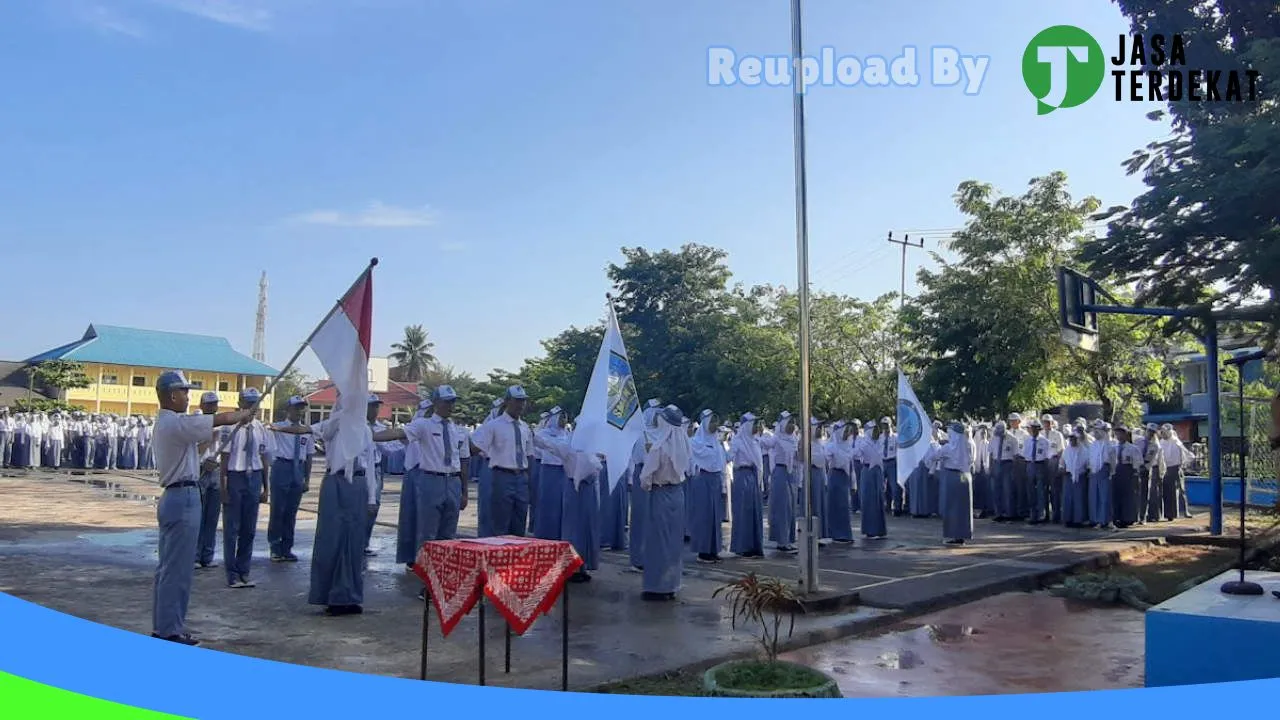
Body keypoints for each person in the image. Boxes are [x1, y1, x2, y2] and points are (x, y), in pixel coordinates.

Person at [151, 370, 252, 645]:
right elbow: (217, 419)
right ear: (172, 395)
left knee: (169, 568)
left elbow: (192, 448)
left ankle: (165, 626)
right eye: (184, 391)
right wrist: (240, 414)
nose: (188, 396)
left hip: (178, 493)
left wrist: (201, 462)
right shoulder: (175, 423)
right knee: (177, 570)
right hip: (182, 497)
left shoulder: (168, 424)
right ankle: (170, 630)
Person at [272, 393, 393, 616]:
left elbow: (369, 468)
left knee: (353, 542)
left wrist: (372, 498)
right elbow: (307, 430)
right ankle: (330, 596)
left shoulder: (365, 431)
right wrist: (278, 429)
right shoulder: (334, 426)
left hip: (357, 484)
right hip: (335, 483)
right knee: (332, 540)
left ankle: (350, 596)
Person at [533, 424, 601, 583]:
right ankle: (572, 568)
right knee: (574, 529)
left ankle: (582, 566)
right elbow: (548, 444)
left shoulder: (591, 449)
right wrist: (534, 436)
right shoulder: (569, 447)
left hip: (587, 490)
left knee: (585, 528)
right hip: (574, 488)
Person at [219, 387, 270, 589]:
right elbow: (224, 460)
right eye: (248, 403)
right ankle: (231, 574)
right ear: (240, 404)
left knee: (249, 529)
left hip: (254, 476)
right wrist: (223, 487)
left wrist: (266, 487)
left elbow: (264, 458)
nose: (252, 407)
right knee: (232, 528)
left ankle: (244, 571)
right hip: (235, 476)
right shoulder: (229, 428)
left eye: (255, 403)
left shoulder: (260, 428)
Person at [639, 405, 690, 601]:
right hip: (678, 494)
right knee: (673, 541)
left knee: (658, 540)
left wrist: (647, 456)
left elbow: (645, 480)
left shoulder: (658, 447)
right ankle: (671, 585)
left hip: (660, 495)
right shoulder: (684, 444)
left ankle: (656, 587)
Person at [468, 386, 534, 536]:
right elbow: (476, 448)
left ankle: (516, 557)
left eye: (523, 401)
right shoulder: (494, 425)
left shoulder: (525, 428)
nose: (521, 405)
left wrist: (529, 480)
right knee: (499, 522)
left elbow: (529, 455)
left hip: (521, 477)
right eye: (517, 401)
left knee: (519, 521)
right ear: (507, 401)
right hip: (502, 475)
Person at [268, 396, 312, 563]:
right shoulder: (278, 427)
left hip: (298, 468)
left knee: (291, 511)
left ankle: (287, 547)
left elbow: (308, 456)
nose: (299, 411)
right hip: (282, 466)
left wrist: (307, 479)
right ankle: (275, 546)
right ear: (288, 410)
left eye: (301, 408)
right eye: (296, 408)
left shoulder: (306, 431)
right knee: (278, 509)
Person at [396, 399, 432, 568]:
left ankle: (424, 558)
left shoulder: (439, 426)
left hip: (429, 472)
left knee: (427, 520)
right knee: (411, 516)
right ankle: (411, 556)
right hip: (414, 470)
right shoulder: (416, 425)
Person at [627, 399, 662, 572]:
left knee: (655, 520)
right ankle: (638, 557)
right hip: (643, 477)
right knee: (641, 519)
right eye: (656, 412)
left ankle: (653, 556)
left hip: (658, 480)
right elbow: (640, 458)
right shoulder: (641, 435)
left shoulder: (662, 434)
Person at [728, 413, 765, 557]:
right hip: (742, 475)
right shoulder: (738, 441)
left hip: (753, 475)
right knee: (743, 511)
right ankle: (743, 546)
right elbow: (729, 456)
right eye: (753, 424)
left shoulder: (755, 441)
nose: (756, 427)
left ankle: (755, 545)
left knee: (754, 511)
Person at [194, 392, 223, 570]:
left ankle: (208, 555)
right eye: (209, 404)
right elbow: (193, 450)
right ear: (202, 405)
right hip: (201, 470)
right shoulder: (195, 424)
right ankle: (195, 555)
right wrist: (208, 439)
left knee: (212, 517)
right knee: (199, 516)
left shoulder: (223, 425)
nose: (213, 407)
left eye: (215, 404)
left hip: (217, 471)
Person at [935, 421, 975, 545]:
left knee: (952, 507)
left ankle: (953, 534)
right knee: (963, 508)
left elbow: (935, 455)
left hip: (952, 477)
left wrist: (936, 443)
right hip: (965, 476)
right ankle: (962, 534)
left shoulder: (948, 448)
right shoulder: (968, 444)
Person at [532, 407, 570, 540]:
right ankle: (546, 533)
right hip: (549, 470)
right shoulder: (543, 433)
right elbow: (540, 447)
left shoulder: (567, 433)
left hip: (563, 470)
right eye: (561, 417)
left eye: (565, 417)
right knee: (548, 502)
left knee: (561, 503)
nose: (564, 420)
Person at [763, 412, 798, 553]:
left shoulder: (794, 439)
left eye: (794, 423)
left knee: (791, 508)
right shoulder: (777, 438)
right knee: (782, 507)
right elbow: (765, 443)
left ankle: (789, 539)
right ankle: (781, 540)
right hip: (780, 472)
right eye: (789, 422)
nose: (792, 426)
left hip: (792, 474)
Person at [854, 420, 888, 539]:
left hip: (877, 471)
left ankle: (879, 529)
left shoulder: (879, 442)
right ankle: (870, 530)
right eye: (873, 430)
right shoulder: (864, 443)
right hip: (868, 470)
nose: (875, 432)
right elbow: (856, 454)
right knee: (869, 500)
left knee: (878, 499)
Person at [825, 421, 856, 543]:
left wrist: (854, 483)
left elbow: (851, 466)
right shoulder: (832, 446)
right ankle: (834, 533)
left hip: (844, 476)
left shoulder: (848, 445)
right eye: (845, 431)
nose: (847, 433)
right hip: (835, 474)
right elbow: (826, 459)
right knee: (834, 505)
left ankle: (844, 534)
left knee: (844, 505)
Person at [1158, 424, 1193, 520]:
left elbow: (1187, 455)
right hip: (1165, 470)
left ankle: (1185, 511)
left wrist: (1183, 465)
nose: (1163, 434)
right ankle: (1170, 514)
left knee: (1181, 490)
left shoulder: (1176, 442)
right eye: (1162, 432)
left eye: (1165, 432)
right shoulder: (1161, 443)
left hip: (1176, 469)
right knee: (1167, 492)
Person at [1088, 421, 1118, 530]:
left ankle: (1108, 520)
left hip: (1105, 470)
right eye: (1095, 431)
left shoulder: (1110, 444)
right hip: (1094, 471)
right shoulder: (1093, 445)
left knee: (1105, 496)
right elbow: (1091, 458)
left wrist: (1112, 471)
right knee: (1095, 496)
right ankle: (1097, 520)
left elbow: (1113, 460)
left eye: (1098, 431)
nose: (1095, 433)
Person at [1114, 427, 1142, 528]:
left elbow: (1138, 462)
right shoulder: (1114, 447)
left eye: (1121, 434)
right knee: (1118, 495)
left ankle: (1129, 518)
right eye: (1117, 434)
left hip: (1129, 472)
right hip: (1117, 472)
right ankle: (1118, 517)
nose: (1119, 437)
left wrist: (1135, 472)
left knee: (1129, 496)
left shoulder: (1133, 448)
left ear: (1126, 435)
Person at [1023, 419, 1051, 524]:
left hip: (1041, 465)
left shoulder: (1045, 441)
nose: (1034, 430)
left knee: (1041, 491)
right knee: (1031, 491)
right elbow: (1025, 455)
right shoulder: (1027, 441)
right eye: (1032, 428)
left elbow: (1048, 456)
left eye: (1036, 428)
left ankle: (1041, 515)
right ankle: (1033, 514)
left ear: (1039, 429)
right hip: (1030, 465)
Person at [1061, 429, 1089, 527]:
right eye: (1071, 439)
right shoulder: (1067, 450)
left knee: (1079, 498)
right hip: (1068, 476)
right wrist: (1062, 469)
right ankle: (1068, 519)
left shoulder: (1084, 451)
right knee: (1068, 498)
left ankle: (1078, 519)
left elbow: (1087, 464)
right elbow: (1062, 462)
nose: (1072, 441)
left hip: (1080, 477)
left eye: (1074, 439)